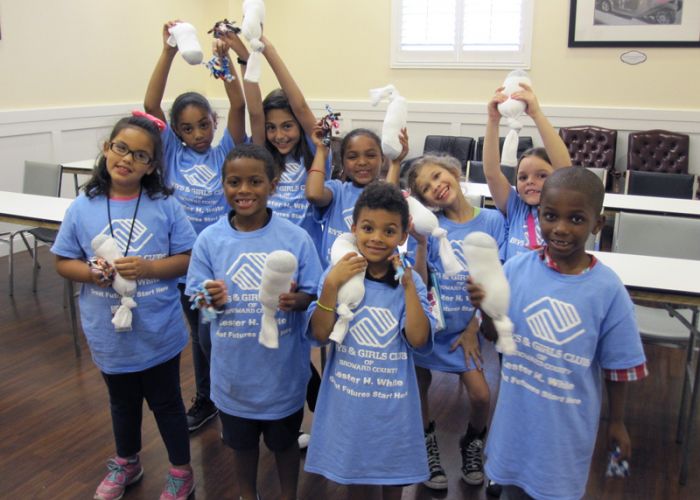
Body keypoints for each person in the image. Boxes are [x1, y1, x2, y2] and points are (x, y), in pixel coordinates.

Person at [468, 167, 647, 500]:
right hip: (514, 424)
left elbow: (619, 366)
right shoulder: (516, 270)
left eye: (576, 220)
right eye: (550, 216)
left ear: (597, 224)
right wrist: (486, 309)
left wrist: (617, 422)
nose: (561, 229)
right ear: (539, 216)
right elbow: (496, 337)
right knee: (510, 490)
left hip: (565, 434)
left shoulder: (608, 290)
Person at [52, 115, 198, 500]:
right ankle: (127, 462)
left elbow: (187, 257)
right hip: (107, 331)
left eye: (140, 155)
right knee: (122, 402)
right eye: (121, 148)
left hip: (158, 329)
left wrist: (150, 268)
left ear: (151, 165)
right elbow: (63, 261)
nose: (127, 159)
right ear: (106, 149)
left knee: (167, 403)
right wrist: (90, 272)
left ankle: (181, 470)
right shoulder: (83, 206)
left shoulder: (164, 204)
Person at [185, 144, 323, 500]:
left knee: (285, 444)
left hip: (282, 376)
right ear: (223, 184)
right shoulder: (210, 240)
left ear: (272, 185)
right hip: (234, 377)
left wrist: (300, 301)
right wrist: (209, 299)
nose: (243, 190)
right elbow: (197, 301)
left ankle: (287, 495)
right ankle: (248, 495)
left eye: (254, 181)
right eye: (234, 181)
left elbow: (316, 294)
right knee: (241, 446)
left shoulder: (295, 238)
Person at [144, 21, 259, 432]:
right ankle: (209, 397)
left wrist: (226, 60)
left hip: (223, 258)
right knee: (199, 334)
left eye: (204, 125)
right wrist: (169, 52)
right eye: (188, 128)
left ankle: (233, 390)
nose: (198, 134)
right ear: (176, 132)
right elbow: (151, 104)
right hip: (183, 262)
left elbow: (240, 106)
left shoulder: (225, 151)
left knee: (223, 328)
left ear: (214, 122)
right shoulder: (172, 152)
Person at [305, 182, 434, 500]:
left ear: (403, 235)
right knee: (356, 479)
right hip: (348, 406)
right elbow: (320, 335)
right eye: (368, 227)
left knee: (392, 479)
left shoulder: (410, 280)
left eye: (389, 230)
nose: (376, 237)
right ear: (354, 229)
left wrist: (407, 287)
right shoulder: (337, 275)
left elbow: (418, 339)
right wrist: (331, 286)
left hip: (394, 408)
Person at [406, 154, 507, 490]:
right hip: (432, 329)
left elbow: (496, 282)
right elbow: (419, 282)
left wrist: (473, 328)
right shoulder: (430, 230)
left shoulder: (492, 221)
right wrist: (420, 246)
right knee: (418, 386)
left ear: (453, 171)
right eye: (426, 188)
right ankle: (427, 443)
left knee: (480, 396)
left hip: (466, 329)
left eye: (437, 176)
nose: (436, 187)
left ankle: (472, 442)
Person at [483, 82, 571, 260]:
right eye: (522, 177)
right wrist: (493, 120)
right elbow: (492, 173)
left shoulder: (563, 206)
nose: (530, 181)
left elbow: (566, 171)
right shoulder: (516, 207)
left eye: (542, 175)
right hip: (514, 287)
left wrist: (536, 114)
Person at [306, 126, 407, 268]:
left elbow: (389, 197)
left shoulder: (384, 191)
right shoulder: (337, 190)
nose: (362, 162)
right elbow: (313, 194)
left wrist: (396, 162)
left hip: (375, 281)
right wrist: (321, 150)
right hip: (333, 279)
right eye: (353, 157)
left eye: (370, 155)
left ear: (383, 159)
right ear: (343, 162)